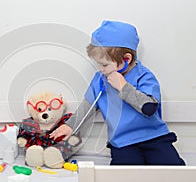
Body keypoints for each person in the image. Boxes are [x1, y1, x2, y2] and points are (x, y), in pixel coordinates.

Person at [50, 20, 185, 165]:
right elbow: (86, 107)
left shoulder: (144, 76)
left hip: (154, 137)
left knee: (173, 171)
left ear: (126, 59)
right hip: (123, 142)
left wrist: (123, 87)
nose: (100, 69)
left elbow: (149, 108)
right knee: (123, 176)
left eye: (104, 64)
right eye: (98, 64)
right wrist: (70, 126)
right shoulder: (100, 80)